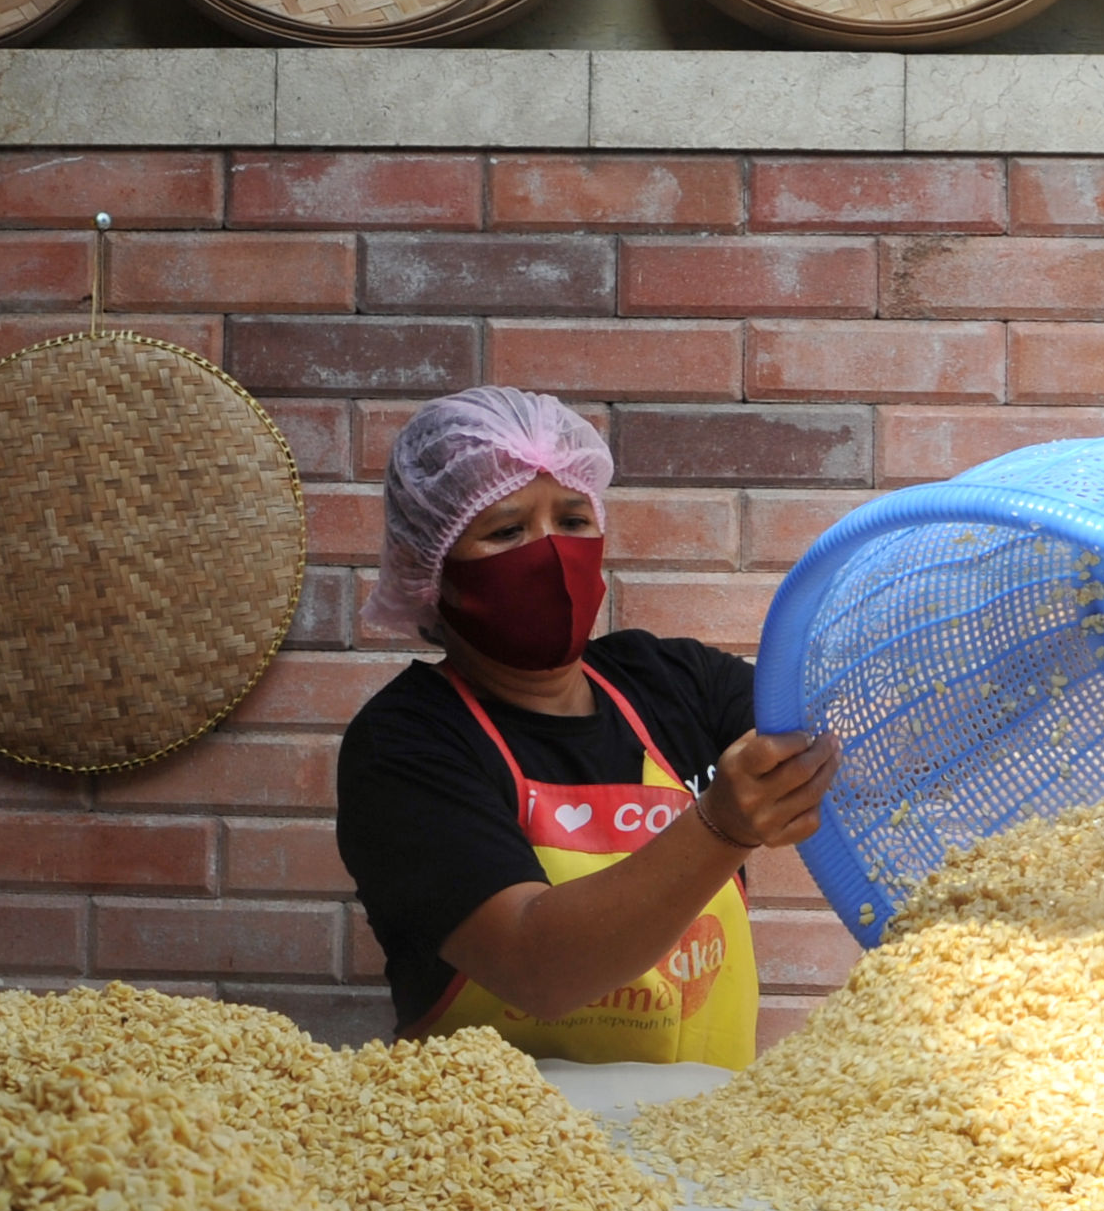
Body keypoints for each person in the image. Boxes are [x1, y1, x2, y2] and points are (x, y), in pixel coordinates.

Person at [333, 388, 839, 1065]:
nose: (549, 554)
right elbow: (538, 968)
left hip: (701, 1147)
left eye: (573, 519)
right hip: (496, 1153)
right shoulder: (406, 742)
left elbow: (848, 723)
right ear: (435, 571)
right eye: (508, 531)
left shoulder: (674, 684)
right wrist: (722, 826)